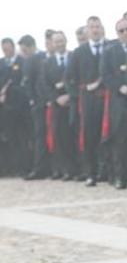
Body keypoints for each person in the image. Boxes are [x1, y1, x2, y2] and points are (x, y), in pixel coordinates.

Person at [68, 16, 109, 187]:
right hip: (88, 101)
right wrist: (80, 94)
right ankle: (91, 173)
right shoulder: (79, 52)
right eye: (92, 27)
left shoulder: (110, 47)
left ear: (102, 28)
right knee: (90, 137)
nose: (95, 30)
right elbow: (70, 78)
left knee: (109, 136)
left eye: (98, 26)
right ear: (87, 30)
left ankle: (108, 172)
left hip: (109, 99)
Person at [101, 19, 127, 189]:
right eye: (121, 31)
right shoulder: (110, 51)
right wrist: (119, 86)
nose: (125, 33)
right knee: (120, 141)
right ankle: (120, 176)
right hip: (119, 100)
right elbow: (105, 75)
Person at [39, 31, 78, 180]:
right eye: (56, 42)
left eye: (61, 41)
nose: (59, 44)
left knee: (75, 135)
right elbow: (45, 85)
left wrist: (70, 95)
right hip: (58, 106)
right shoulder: (47, 63)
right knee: (61, 138)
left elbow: (78, 77)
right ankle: (67, 170)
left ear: (66, 41)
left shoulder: (74, 57)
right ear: (52, 44)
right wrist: (56, 99)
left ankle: (80, 169)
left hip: (74, 102)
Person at [22, 33, 50, 180]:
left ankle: (42, 168)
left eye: (25, 50)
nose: (23, 54)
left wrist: (33, 99)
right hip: (40, 103)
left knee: (42, 135)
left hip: (43, 102)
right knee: (40, 135)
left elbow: (28, 82)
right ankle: (42, 167)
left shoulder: (34, 59)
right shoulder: (40, 57)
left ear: (32, 46)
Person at [0, 37, 30, 176]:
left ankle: (25, 167)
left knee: (22, 137)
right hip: (5, 108)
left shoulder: (22, 62)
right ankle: (12, 168)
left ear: (13, 47)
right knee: (10, 138)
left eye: (8, 47)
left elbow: (23, 83)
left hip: (20, 107)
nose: (6, 50)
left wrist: (9, 91)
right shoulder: (1, 63)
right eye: (3, 48)